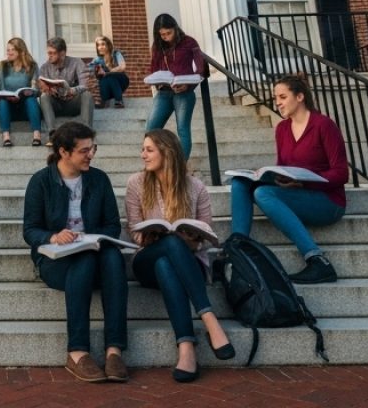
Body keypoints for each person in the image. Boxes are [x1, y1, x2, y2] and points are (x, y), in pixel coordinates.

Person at [23, 122, 128, 383]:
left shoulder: (99, 179)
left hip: (94, 253)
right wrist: (53, 236)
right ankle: (77, 351)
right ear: (64, 152)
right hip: (56, 261)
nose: (90, 154)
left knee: (113, 257)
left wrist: (95, 239)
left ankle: (114, 350)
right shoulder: (41, 182)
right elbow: (30, 230)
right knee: (83, 258)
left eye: (92, 148)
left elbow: (113, 225)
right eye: (84, 150)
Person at [126, 129, 234, 383]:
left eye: (149, 150)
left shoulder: (195, 187)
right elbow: (134, 231)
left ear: (168, 152)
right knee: (167, 247)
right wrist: (153, 236)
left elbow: (208, 234)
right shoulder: (136, 184)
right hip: (146, 262)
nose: (143, 155)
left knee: (168, 260)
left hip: (187, 261)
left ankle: (186, 348)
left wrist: (191, 240)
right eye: (143, 149)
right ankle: (209, 318)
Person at [230, 74, 348, 284]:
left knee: (262, 193)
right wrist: (267, 175)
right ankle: (238, 250)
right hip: (297, 192)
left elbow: (341, 173)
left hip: (328, 201)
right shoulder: (282, 129)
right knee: (241, 183)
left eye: (283, 97)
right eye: (276, 97)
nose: (278, 102)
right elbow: (283, 166)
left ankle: (317, 260)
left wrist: (304, 182)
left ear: (300, 96)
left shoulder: (323, 125)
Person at [145, 13, 206, 160]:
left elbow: (201, 68)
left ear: (175, 28)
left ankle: (180, 166)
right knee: (151, 129)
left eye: (169, 33)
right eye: (162, 34)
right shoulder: (158, 46)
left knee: (183, 129)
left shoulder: (189, 42)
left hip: (184, 92)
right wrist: (156, 80)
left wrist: (189, 85)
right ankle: (156, 163)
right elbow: (153, 69)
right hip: (164, 92)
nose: (166, 37)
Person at [38, 36, 94, 142]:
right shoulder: (44, 67)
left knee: (87, 94)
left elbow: (85, 84)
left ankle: (86, 132)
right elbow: (40, 87)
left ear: (62, 54)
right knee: (44, 96)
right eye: (48, 53)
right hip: (55, 103)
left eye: (52, 53)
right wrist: (45, 89)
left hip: (72, 102)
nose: (49, 56)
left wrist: (73, 90)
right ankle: (52, 133)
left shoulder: (77, 62)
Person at [0, 36, 43, 147]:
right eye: (8, 50)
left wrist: (30, 92)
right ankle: (6, 137)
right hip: (8, 108)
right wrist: (7, 96)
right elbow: (0, 89)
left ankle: (37, 135)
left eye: (13, 50)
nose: (9, 53)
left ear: (21, 51)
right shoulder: (1, 66)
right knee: (2, 102)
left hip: (26, 107)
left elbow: (37, 90)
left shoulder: (32, 66)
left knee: (31, 100)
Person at [92, 35, 129, 108]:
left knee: (110, 76)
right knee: (103, 78)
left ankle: (119, 100)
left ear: (108, 45)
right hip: (107, 87)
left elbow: (123, 67)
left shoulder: (116, 53)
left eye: (103, 44)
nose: (100, 47)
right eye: (98, 45)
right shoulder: (97, 60)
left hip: (122, 81)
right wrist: (98, 72)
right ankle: (104, 101)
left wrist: (109, 72)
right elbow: (89, 70)